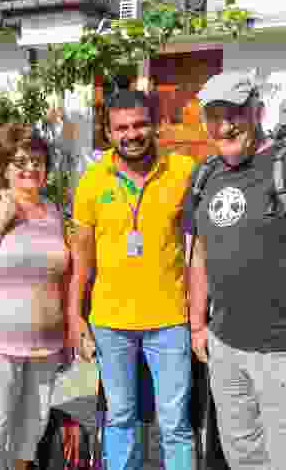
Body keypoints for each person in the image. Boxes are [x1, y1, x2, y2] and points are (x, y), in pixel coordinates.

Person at [186, 70, 286, 470]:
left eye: (235, 114)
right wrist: (196, 324)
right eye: (214, 115)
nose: (225, 125)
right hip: (226, 349)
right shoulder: (205, 175)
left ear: (257, 112)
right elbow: (201, 254)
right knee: (244, 459)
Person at [68, 89, 197, 470]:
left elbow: (201, 246)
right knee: (119, 418)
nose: (132, 134)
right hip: (111, 322)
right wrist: (75, 316)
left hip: (171, 318)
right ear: (108, 133)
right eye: (121, 127)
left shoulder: (183, 172)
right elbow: (82, 260)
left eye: (140, 124)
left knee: (175, 424)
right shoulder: (92, 181)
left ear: (155, 126)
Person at [0, 126, 72, 470]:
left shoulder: (54, 211)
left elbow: (63, 275)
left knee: (31, 431)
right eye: (20, 161)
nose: (29, 169)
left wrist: (69, 331)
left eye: (37, 161)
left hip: (46, 342)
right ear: (6, 167)